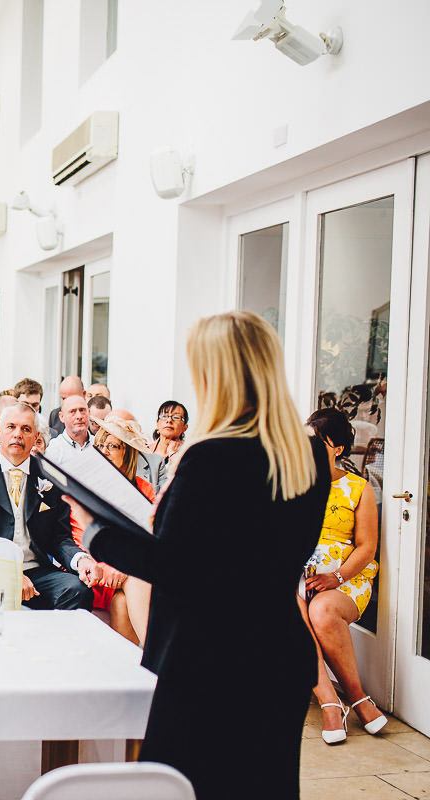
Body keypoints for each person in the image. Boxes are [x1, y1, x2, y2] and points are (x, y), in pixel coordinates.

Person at [71, 310, 330, 799]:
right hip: (278, 652)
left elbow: (171, 567)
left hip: (210, 660)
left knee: (181, 788)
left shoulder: (212, 456)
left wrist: (95, 531)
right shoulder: (309, 454)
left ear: (214, 375)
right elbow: (259, 553)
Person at [0, 402, 97, 609]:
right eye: (11, 427)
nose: (17, 434)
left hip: (37, 571)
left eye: (26, 429)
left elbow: (59, 537)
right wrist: (9, 575)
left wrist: (80, 560)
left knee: (77, 591)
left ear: (36, 437)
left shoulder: (51, 476)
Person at [301, 408, 385, 744]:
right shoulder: (293, 483)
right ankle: (330, 702)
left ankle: (357, 696)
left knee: (322, 611)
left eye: (318, 443)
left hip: (346, 577)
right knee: (289, 607)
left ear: (338, 448)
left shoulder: (358, 488)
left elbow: (367, 547)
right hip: (298, 576)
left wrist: (335, 577)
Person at [89, 418, 155, 644]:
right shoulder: (87, 486)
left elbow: (148, 537)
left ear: (126, 452)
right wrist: (115, 567)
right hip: (100, 569)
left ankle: (143, 659)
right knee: (136, 580)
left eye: (112, 446)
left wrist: (127, 564)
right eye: (100, 445)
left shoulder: (144, 489)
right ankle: (156, 653)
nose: (104, 451)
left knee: (121, 602)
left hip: (130, 570)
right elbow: (81, 536)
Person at [43, 394, 92, 459]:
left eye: (82, 410)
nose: (79, 416)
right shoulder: (53, 449)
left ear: (89, 412)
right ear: (62, 416)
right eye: (72, 412)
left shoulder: (99, 445)